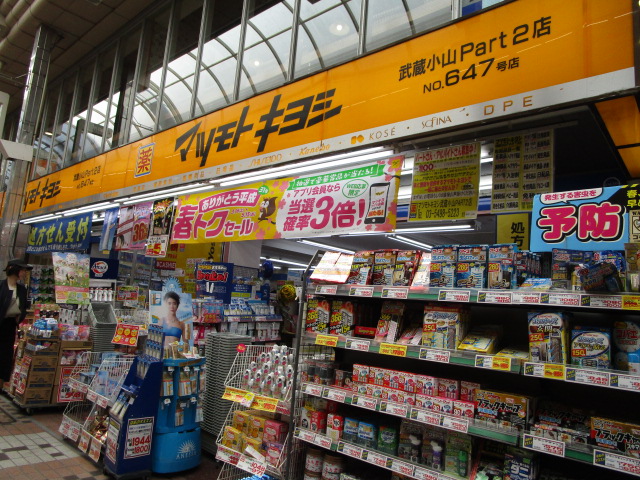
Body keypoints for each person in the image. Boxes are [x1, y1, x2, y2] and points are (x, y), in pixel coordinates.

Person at [0, 259, 31, 389]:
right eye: (22, 270)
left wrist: (20, 317)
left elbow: (24, 307)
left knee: (5, 357)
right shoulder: (1, 286)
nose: (24, 273)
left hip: (10, 325)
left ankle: (1, 384)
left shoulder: (22, 289)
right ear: (14, 270)